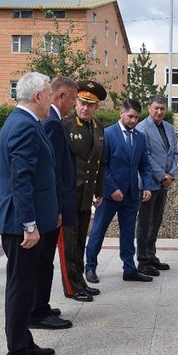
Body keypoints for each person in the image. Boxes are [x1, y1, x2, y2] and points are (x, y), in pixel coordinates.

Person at [0, 72, 60, 355]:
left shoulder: (23, 122)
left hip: (28, 220)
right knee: (20, 289)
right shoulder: (23, 126)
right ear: (37, 97)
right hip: (21, 225)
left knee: (25, 284)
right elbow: (21, 180)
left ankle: (25, 340)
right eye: (49, 94)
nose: (51, 99)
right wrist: (30, 225)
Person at [31, 76, 86, 332]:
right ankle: (38, 311)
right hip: (52, 206)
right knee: (42, 262)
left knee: (44, 261)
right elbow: (52, 173)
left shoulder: (52, 121)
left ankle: (41, 306)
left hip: (53, 205)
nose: (74, 104)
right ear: (61, 96)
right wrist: (58, 209)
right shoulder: (52, 124)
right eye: (73, 99)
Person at [85, 99, 154, 282]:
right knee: (98, 231)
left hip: (131, 195)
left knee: (128, 233)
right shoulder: (107, 134)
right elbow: (101, 165)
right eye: (130, 116)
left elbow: (145, 165)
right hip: (109, 195)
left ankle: (129, 269)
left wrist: (146, 186)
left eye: (137, 118)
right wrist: (111, 188)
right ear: (121, 113)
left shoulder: (140, 137)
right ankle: (90, 267)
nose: (133, 121)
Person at [63, 80, 106, 289]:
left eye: (91, 105)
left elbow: (100, 162)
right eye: (82, 103)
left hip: (86, 194)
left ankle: (80, 281)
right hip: (70, 194)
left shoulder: (98, 127)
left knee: (80, 241)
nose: (86, 108)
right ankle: (72, 286)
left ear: (97, 107)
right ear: (75, 103)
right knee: (69, 244)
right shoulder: (65, 125)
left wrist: (99, 190)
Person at [134, 95, 178, 276]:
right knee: (145, 222)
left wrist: (171, 174)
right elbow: (146, 157)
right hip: (149, 184)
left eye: (162, 108)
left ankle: (151, 256)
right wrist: (161, 176)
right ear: (149, 108)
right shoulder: (142, 128)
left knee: (156, 221)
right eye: (156, 108)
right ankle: (143, 260)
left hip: (164, 183)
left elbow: (175, 153)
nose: (159, 112)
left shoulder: (168, 128)